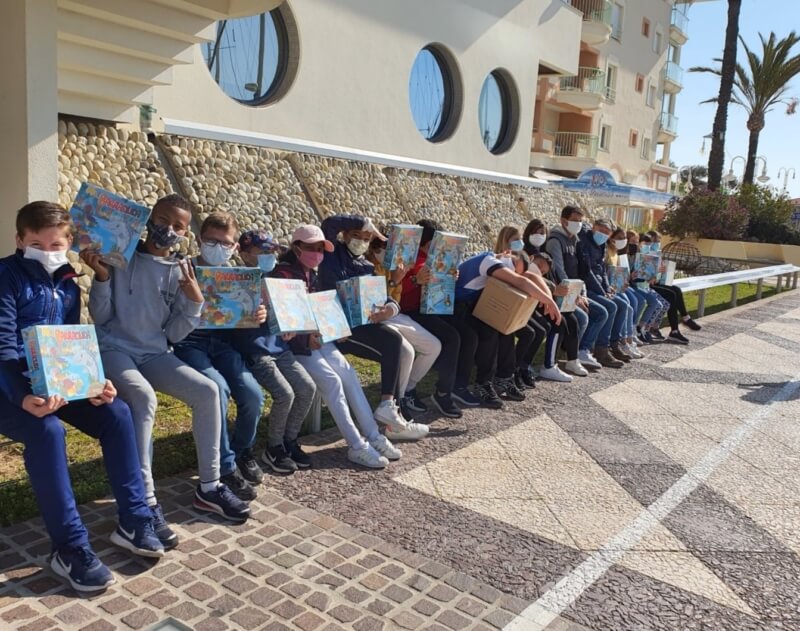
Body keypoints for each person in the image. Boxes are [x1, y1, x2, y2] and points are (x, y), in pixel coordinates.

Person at [0, 201, 163, 593]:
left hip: (52, 384)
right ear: (20, 240)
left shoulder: (70, 284)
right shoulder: (5, 276)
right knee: (48, 431)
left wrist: (93, 382)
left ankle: (134, 518)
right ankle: (69, 547)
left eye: (56, 243)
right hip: (8, 387)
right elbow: (3, 347)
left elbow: (70, 346)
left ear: (69, 242)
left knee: (117, 413)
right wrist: (23, 397)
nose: (48, 250)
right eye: (36, 242)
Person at [83, 194, 250, 532]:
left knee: (207, 390)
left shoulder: (181, 269)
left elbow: (173, 334)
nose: (168, 230)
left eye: (178, 226)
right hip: (114, 349)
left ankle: (210, 487)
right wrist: (100, 277)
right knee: (143, 397)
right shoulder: (120, 257)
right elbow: (100, 316)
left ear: (187, 233)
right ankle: (146, 500)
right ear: (148, 220)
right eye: (162, 221)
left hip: (155, 352)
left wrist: (194, 301)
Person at [272, 225, 401, 468]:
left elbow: (321, 307)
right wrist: (308, 337)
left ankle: (373, 436)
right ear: (296, 247)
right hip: (295, 346)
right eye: (311, 248)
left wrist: (335, 328)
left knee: (347, 372)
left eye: (320, 248)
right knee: (331, 380)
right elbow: (284, 322)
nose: (317, 253)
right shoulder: (283, 276)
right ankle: (356, 444)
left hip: (318, 339)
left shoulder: (312, 273)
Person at [172, 212, 266, 500]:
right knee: (219, 390)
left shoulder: (239, 277)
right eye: (211, 241)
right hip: (189, 343)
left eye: (225, 243)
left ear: (235, 246)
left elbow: (245, 317)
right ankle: (225, 466)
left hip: (223, 344)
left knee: (253, 395)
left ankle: (242, 451)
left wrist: (258, 314)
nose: (217, 247)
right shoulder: (182, 268)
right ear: (200, 240)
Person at [318, 213, 428, 441]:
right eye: (356, 235)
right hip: (337, 327)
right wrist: (364, 223)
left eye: (366, 238)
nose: (361, 241)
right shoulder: (331, 254)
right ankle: (391, 413)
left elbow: (382, 296)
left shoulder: (366, 265)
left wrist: (391, 309)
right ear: (345, 235)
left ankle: (390, 411)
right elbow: (330, 224)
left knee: (401, 347)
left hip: (359, 323)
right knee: (395, 342)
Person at [234, 229, 317, 473]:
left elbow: (289, 314)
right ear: (245, 254)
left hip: (279, 346)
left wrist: (292, 323)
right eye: (263, 251)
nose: (270, 256)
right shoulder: (236, 281)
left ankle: (289, 440)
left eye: (273, 251)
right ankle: (274, 447)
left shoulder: (277, 280)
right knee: (285, 393)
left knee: (307, 388)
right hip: (256, 350)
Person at [454, 241, 561, 409]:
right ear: (507, 252)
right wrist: (549, 302)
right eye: (511, 264)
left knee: (506, 327)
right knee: (490, 330)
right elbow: (520, 282)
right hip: (455, 307)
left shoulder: (499, 263)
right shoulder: (488, 261)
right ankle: (483, 383)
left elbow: (529, 278)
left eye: (513, 269)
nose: (510, 270)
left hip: (470, 305)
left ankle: (504, 377)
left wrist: (547, 296)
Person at [399, 218, 480, 415]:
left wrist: (450, 277)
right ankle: (443, 392)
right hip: (411, 310)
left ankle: (458, 386)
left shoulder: (434, 257)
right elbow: (396, 288)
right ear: (428, 243)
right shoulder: (408, 257)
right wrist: (415, 280)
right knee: (451, 338)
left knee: (469, 335)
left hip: (431, 308)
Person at [365, 233, 443, 419]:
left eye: (385, 249)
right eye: (378, 249)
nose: (382, 253)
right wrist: (395, 281)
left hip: (394, 314)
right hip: (374, 316)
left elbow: (396, 300)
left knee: (433, 346)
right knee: (406, 351)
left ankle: (408, 390)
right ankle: (396, 403)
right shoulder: (366, 265)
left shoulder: (393, 265)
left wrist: (397, 280)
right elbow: (372, 302)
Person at [545, 207, 615, 368]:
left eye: (580, 221)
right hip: (559, 291)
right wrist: (574, 296)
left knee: (600, 312)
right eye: (575, 220)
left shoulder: (575, 240)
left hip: (575, 290)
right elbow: (559, 270)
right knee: (584, 317)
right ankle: (570, 356)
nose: (578, 224)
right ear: (564, 221)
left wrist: (581, 293)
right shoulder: (555, 241)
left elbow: (580, 271)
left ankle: (579, 352)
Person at [523, 218, 587, 380]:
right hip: (532, 299)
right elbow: (529, 277)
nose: (539, 236)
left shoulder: (546, 252)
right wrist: (552, 290)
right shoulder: (524, 253)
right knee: (559, 323)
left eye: (542, 232)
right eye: (535, 232)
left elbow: (554, 276)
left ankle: (572, 359)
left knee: (573, 319)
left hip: (549, 297)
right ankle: (547, 366)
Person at [576, 218, 632, 365]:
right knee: (610, 307)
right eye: (601, 231)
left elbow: (602, 271)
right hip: (588, 288)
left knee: (623, 305)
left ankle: (613, 344)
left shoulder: (600, 245)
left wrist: (607, 288)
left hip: (599, 287)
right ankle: (597, 348)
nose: (604, 235)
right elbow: (587, 271)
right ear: (594, 227)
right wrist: (602, 291)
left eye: (607, 233)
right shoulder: (584, 243)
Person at [492, 226, 540, 395]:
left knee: (532, 332)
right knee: (510, 333)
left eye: (520, 238)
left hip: (513, 307)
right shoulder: (497, 259)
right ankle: (504, 377)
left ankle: (513, 372)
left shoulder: (520, 259)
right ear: (505, 241)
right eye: (515, 239)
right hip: (498, 308)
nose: (519, 242)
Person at [646, 230, 701, 343]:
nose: (657, 243)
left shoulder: (657, 253)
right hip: (648, 285)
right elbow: (643, 274)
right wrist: (656, 271)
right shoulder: (645, 254)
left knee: (676, 289)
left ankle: (683, 321)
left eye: (659, 241)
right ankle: (677, 328)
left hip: (657, 282)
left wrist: (664, 272)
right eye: (655, 241)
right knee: (672, 294)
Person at [605, 227, 644, 359]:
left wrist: (624, 280)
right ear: (611, 238)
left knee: (631, 303)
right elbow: (605, 273)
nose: (623, 241)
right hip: (609, 288)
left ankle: (628, 339)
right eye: (620, 238)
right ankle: (622, 341)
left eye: (624, 239)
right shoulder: (607, 252)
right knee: (625, 306)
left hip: (617, 286)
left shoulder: (616, 253)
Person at [626, 230, 668, 344]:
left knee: (658, 302)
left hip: (640, 285)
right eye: (633, 241)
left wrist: (656, 273)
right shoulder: (627, 255)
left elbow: (644, 277)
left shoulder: (640, 255)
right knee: (641, 301)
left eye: (637, 241)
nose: (636, 244)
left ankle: (641, 328)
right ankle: (633, 330)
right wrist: (633, 276)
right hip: (632, 286)